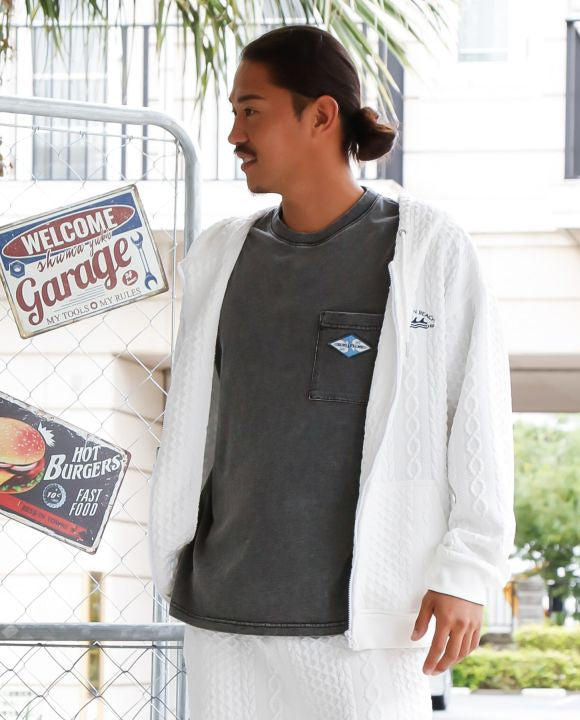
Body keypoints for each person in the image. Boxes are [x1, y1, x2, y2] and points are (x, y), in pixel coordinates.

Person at [148, 24, 516, 720]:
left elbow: (477, 414)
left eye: (251, 110)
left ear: (320, 115)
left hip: (366, 622)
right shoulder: (221, 255)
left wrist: (468, 569)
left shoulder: (426, 247)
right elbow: (198, 425)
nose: (234, 134)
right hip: (225, 615)